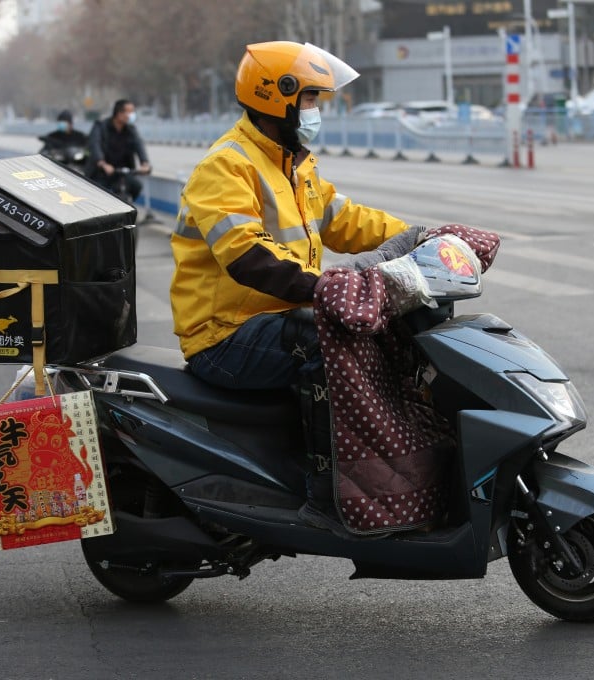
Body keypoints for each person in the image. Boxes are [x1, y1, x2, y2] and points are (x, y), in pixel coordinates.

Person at [169, 41, 428, 537]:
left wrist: (416, 236)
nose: (314, 111)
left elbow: (346, 220)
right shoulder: (226, 167)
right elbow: (249, 258)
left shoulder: (293, 164)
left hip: (273, 320)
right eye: (309, 100)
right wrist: (324, 288)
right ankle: (328, 496)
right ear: (277, 98)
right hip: (224, 334)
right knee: (325, 340)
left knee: (382, 330)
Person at [86, 99, 152, 201]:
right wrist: (102, 163)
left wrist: (144, 163)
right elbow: (95, 145)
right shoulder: (100, 126)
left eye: (132, 112)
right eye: (129, 112)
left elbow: (139, 144)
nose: (132, 115)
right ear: (119, 113)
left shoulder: (131, 129)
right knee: (98, 194)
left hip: (122, 173)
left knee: (136, 186)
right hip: (102, 173)